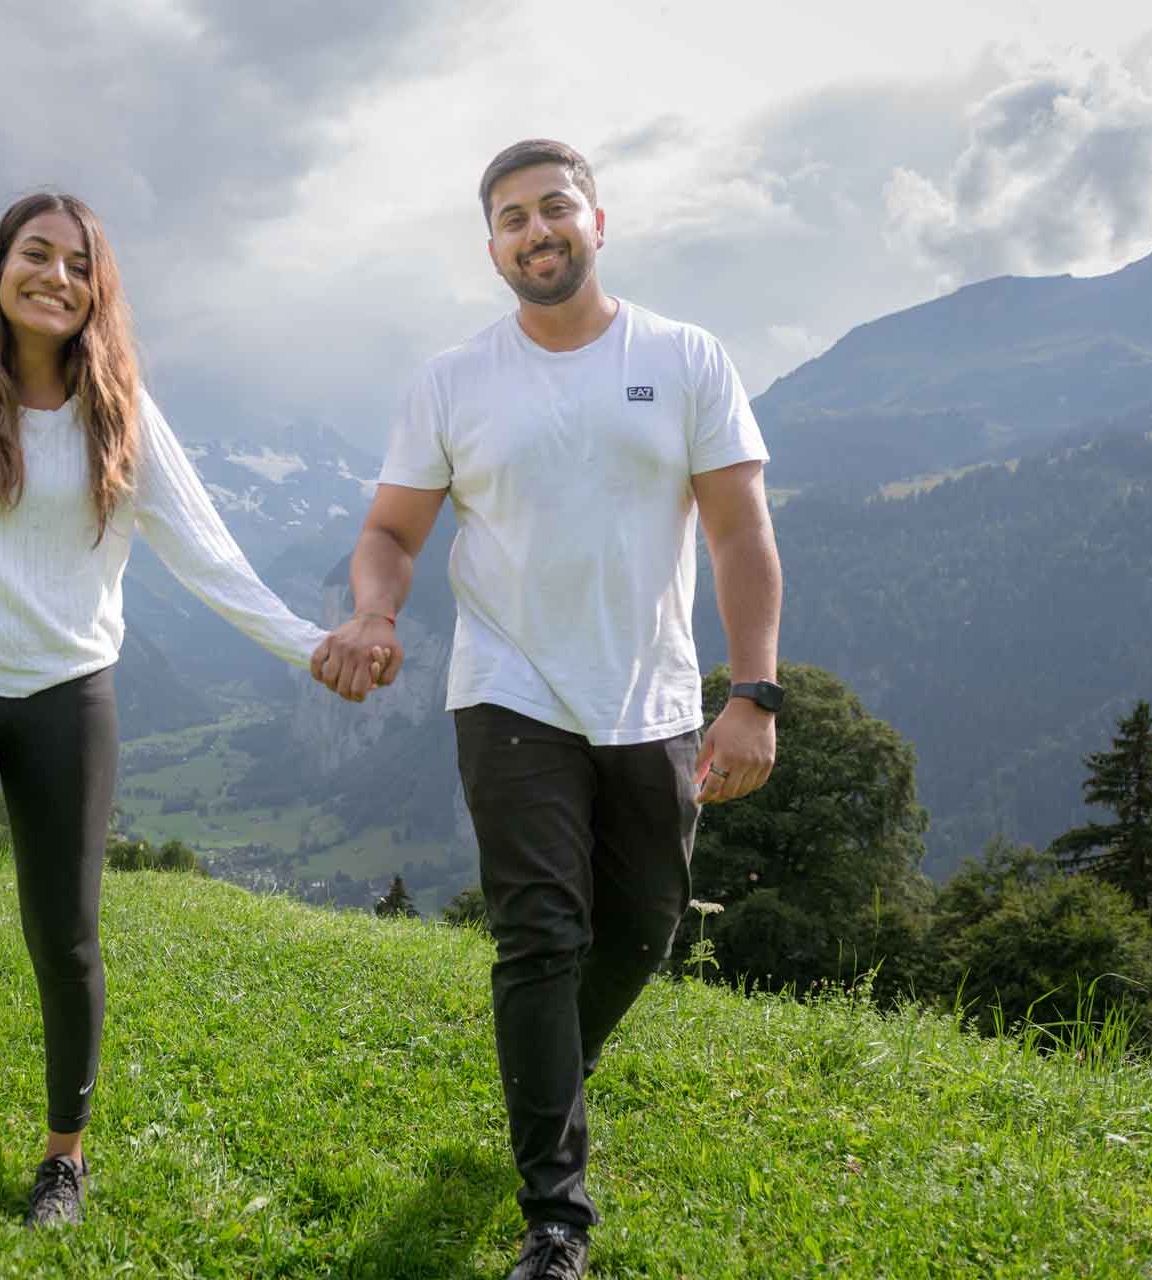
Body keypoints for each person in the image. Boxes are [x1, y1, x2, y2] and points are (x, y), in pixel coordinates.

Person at [0, 192, 366, 1280]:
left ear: (98, 288)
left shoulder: (122, 408)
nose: (55, 276)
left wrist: (313, 645)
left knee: (66, 934)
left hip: (69, 692)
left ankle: (64, 1155)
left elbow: (210, 556)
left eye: (77, 263)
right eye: (35, 253)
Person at [310, 139, 783, 1280]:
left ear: (599, 221)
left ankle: (548, 1082)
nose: (537, 231)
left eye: (554, 208)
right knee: (541, 933)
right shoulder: (454, 381)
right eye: (513, 218)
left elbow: (738, 533)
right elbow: (389, 531)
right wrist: (376, 611)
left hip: (654, 697)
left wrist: (753, 690)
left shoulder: (685, 357)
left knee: (641, 927)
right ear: (491, 248)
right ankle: (554, 1217)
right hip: (508, 688)